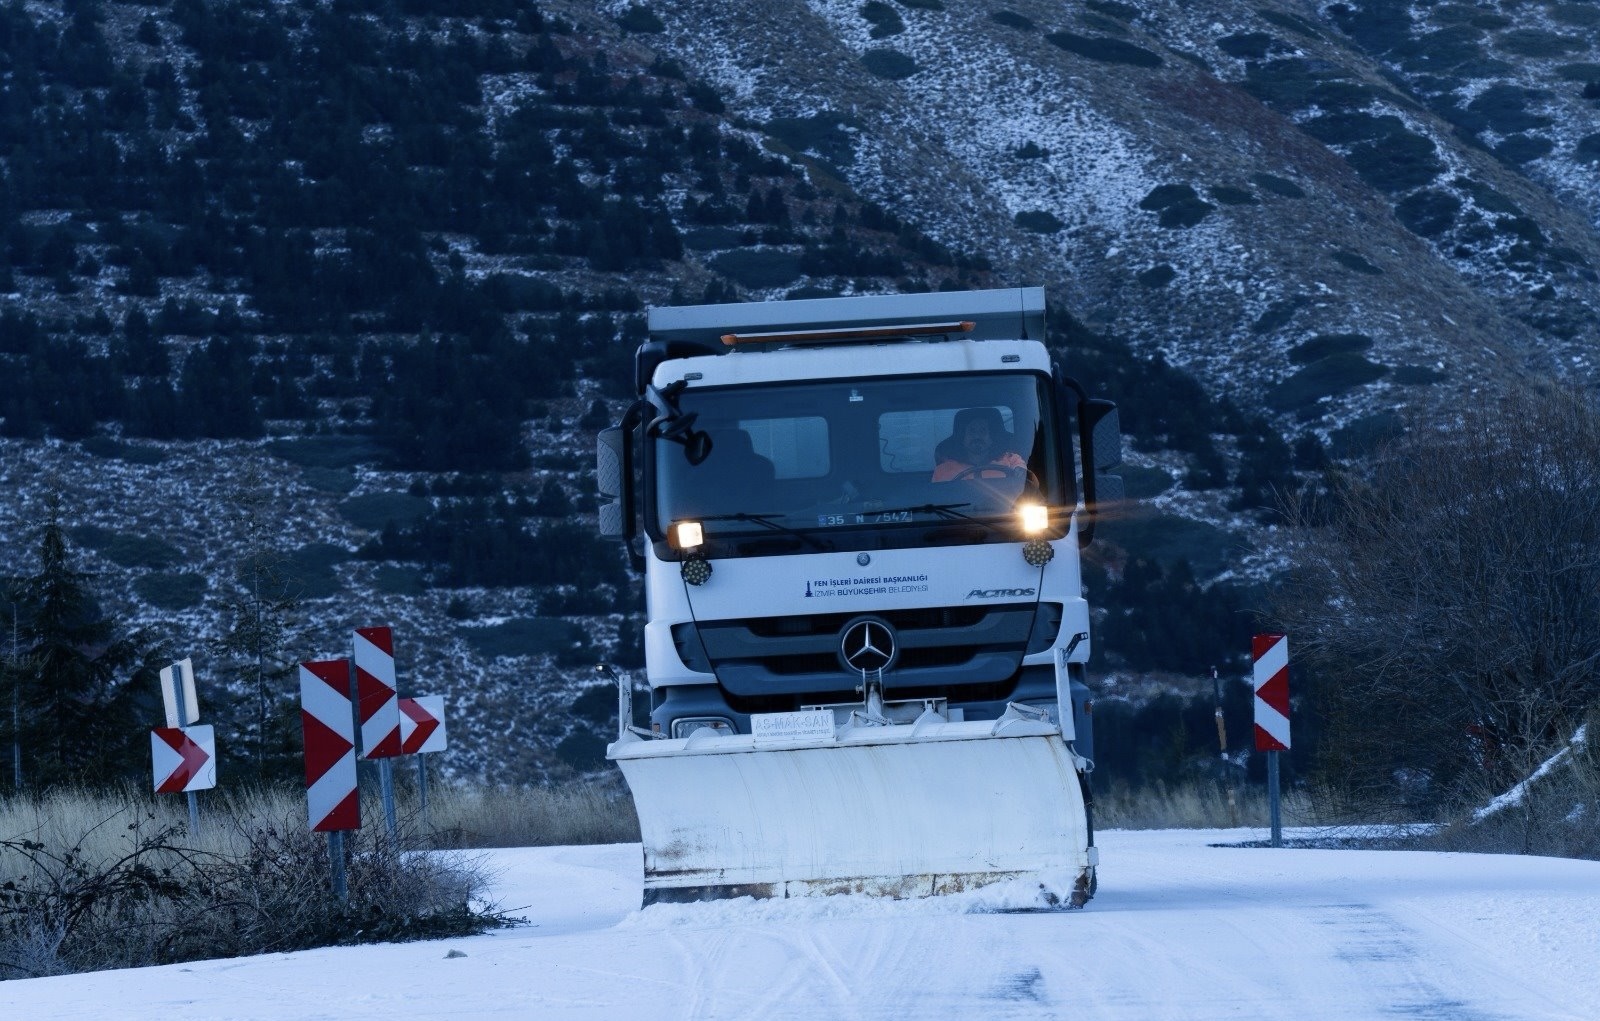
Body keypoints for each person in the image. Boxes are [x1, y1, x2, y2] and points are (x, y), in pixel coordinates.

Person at [932, 407, 1030, 482]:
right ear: (962, 437)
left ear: (992, 436)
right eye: (972, 431)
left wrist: (1021, 471)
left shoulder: (1011, 461)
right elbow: (935, 500)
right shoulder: (943, 471)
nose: (977, 436)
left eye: (983, 431)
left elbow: (1028, 481)